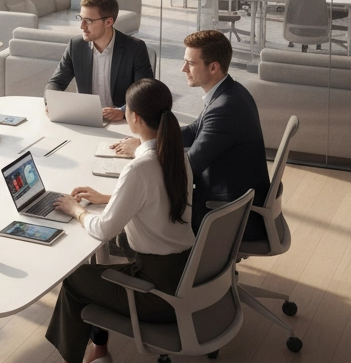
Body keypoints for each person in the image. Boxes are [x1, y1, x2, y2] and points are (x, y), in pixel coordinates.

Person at [29, 78, 194, 363]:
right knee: (99, 269)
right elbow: (156, 200)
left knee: (76, 283)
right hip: (187, 273)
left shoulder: (139, 169)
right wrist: (110, 197)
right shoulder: (176, 155)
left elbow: (103, 230)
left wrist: (76, 210)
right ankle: (99, 352)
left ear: (132, 118)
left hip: (157, 292)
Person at [111, 29, 269, 241]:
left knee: (132, 219)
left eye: (191, 63)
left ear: (213, 67)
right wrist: (147, 139)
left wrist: (141, 150)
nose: (183, 68)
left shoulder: (226, 108)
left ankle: (154, 268)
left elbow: (187, 167)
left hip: (226, 211)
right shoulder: (229, 93)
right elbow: (195, 130)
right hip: (228, 197)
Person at [45, 0, 153, 122]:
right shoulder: (76, 46)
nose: (82, 26)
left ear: (108, 22)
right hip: (87, 119)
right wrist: (50, 102)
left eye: (88, 21)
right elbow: (56, 82)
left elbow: (146, 91)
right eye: (80, 18)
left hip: (123, 122)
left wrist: (123, 111)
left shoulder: (135, 48)